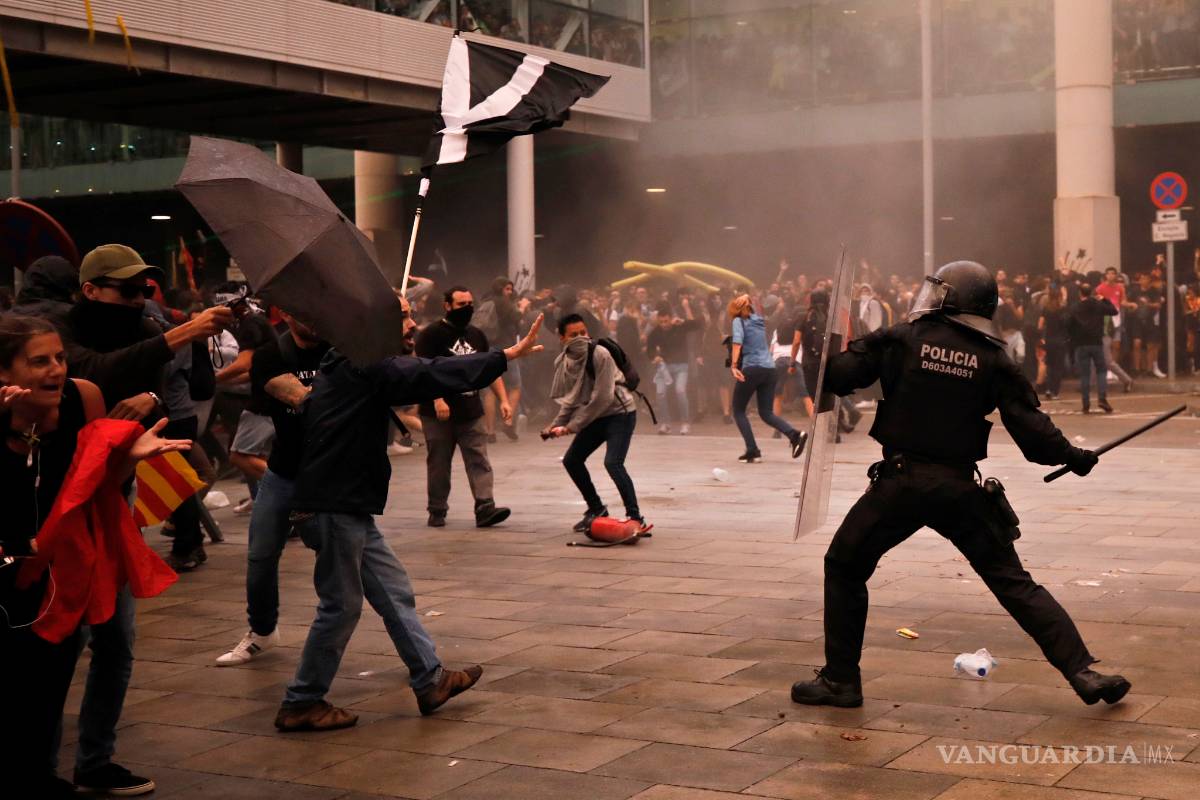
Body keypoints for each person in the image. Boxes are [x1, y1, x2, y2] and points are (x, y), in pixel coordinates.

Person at [790, 261, 1130, 710]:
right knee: (1014, 582)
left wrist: (828, 347)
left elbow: (838, 377)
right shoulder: (993, 357)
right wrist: (1073, 456)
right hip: (958, 488)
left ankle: (841, 681)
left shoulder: (903, 337)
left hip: (901, 483)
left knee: (845, 565)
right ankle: (1083, 672)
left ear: (952, 297)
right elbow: (1032, 430)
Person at [274, 301, 544, 732]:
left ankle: (429, 678)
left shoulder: (349, 364)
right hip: (333, 503)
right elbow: (430, 372)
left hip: (348, 504)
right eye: (402, 316)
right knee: (341, 606)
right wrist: (504, 356)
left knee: (394, 591)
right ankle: (302, 701)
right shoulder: (362, 366)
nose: (413, 323)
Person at [63, 244, 231, 797]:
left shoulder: (148, 325)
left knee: (116, 642)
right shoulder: (60, 336)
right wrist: (182, 334)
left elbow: (181, 389)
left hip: (114, 509)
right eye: (126, 291)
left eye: (144, 291)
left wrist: (155, 393)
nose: (138, 300)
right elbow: (91, 371)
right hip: (58, 516)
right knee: (61, 646)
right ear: (90, 290)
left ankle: (95, 760)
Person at [0, 315, 189, 798]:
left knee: (76, 662)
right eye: (39, 361)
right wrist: (19, 430)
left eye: (59, 357)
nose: (55, 369)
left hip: (75, 561)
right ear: (6, 372)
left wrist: (129, 459)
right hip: (11, 576)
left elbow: (98, 486)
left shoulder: (83, 397)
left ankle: (77, 766)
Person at [215, 312, 331, 666]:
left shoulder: (341, 351)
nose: (310, 319)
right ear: (288, 315)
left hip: (329, 475)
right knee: (260, 554)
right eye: (301, 310)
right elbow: (297, 401)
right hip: (283, 472)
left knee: (348, 560)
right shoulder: (272, 354)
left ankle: (341, 629)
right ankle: (262, 630)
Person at [414, 287, 513, 528]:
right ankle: (437, 509)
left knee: (478, 457)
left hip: (471, 409)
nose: (467, 308)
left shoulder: (477, 335)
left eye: (470, 303)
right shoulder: (431, 335)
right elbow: (423, 370)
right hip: (439, 413)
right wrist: (438, 399)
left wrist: (504, 400)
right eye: (461, 304)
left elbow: (489, 368)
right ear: (447, 305)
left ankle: (484, 505)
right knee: (439, 462)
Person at [544, 314, 648, 533]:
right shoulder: (567, 360)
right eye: (574, 335)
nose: (580, 338)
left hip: (620, 414)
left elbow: (603, 397)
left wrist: (572, 426)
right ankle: (596, 509)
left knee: (613, 463)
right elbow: (572, 397)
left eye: (583, 333)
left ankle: (635, 517)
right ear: (562, 338)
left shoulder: (600, 354)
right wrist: (554, 425)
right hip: (596, 416)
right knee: (572, 460)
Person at [727, 294, 807, 463]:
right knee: (766, 412)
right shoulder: (758, 320)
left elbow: (737, 343)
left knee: (738, 410)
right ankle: (794, 435)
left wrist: (734, 365)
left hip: (752, 368)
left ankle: (752, 449)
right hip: (769, 369)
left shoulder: (738, 321)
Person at [646, 299, 701, 434]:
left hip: (681, 365)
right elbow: (649, 349)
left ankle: (685, 423)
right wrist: (654, 357)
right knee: (660, 393)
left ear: (671, 318)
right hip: (664, 367)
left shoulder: (679, 326)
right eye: (661, 322)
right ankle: (665, 424)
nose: (664, 324)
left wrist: (683, 320)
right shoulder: (656, 331)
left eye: (666, 321)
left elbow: (696, 325)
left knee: (680, 391)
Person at [1068, 284, 1117, 414]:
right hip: (1096, 343)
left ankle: (1085, 404)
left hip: (1081, 344)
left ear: (1080, 293)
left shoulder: (1075, 307)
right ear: (1091, 292)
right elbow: (1114, 311)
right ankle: (1102, 398)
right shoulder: (1098, 304)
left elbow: (1069, 324)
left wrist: (1073, 339)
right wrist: (1104, 299)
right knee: (1101, 371)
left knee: (1085, 374)